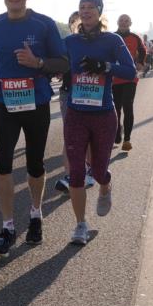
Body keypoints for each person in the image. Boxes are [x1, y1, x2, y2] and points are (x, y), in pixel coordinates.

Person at [0, 0, 65, 256]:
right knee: (2, 164)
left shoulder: (44, 24)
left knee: (35, 164)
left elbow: (63, 62)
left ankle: (36, 214)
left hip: (36, 102)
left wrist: (37, 62)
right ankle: (8, 226)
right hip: (7, 103)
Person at [54, 0, 136, 246]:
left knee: (99, 171)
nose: (86, 11)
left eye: (91, 7)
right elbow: (55, 63)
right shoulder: (70, 41)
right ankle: (80, 225)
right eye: (82, 7)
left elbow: (131, 70)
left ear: (99, 12)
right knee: (76, 173)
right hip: (77, 113)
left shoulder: (111, 40)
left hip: (103, 115)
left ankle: (105, 186)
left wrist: (105, 66)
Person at [54, 11, 96, 194]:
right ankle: (71, 176)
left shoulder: (101, 43)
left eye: (79, 20)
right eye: (73, 21)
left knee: (88, 137)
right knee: (70, 136)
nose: (77, 24)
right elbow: (58, 66)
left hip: (92, 93)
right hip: (68, 93)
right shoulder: (66, 44)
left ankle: (90, 170)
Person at [112, 14, 146, 151]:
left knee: (127, 105)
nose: (124, 22)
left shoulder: (135, 38)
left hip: (130, 78)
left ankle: (127, 139)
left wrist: (140, 62)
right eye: (121, 20)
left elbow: (143, 51)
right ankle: (116, 132)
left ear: (130, 23)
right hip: (114, 78)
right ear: (117, 22)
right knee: (116, 109)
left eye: (126, 21)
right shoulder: (111, 37)